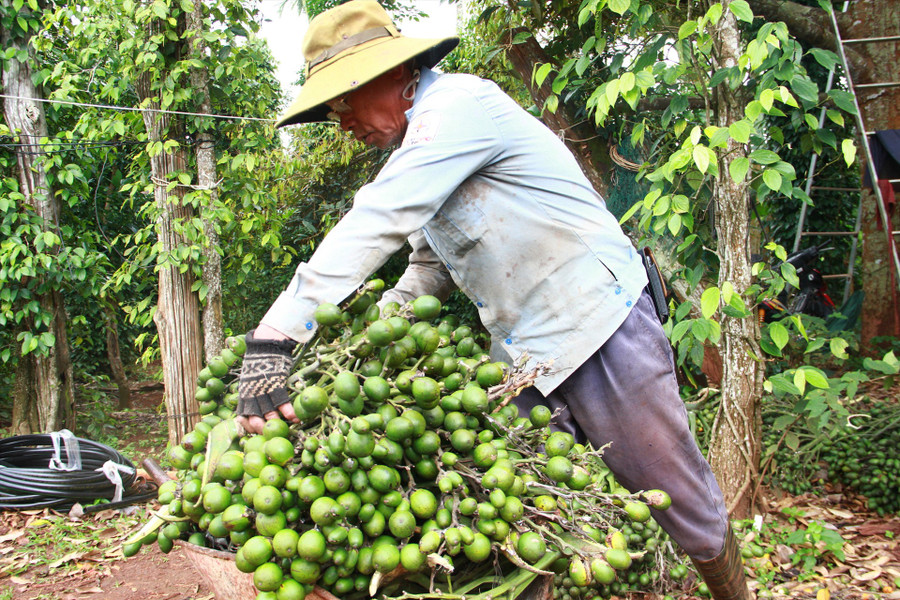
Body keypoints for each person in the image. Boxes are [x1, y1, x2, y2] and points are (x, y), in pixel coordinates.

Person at [236, 2, 751, 598]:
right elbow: (429, 267)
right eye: (331, 111)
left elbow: (378, 216)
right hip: (521, 358)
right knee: (505, 507)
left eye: (343, 101)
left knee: (674, 495)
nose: (342, 122)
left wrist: (276, 334)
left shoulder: (455, 108)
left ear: (392, 73)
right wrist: (368, 333)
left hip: (596, 325)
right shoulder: (419, 152)